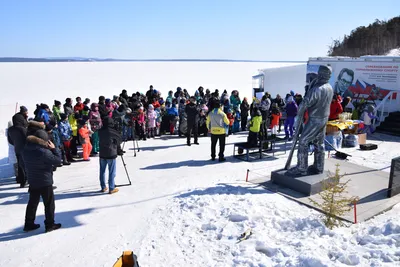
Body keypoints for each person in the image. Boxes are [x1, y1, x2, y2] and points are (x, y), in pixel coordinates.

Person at [287, 65, 334, 176]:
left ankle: (301, 168)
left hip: (315, 119)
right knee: (319, 143)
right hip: (324, 118)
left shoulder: (316, 89)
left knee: (303, 141)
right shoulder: (329, 87)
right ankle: (319, 166)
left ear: (321, 74)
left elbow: (305, 103)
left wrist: (299, 115)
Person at [23, 129, 62, 232]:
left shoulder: (26, 149)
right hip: (45, 181)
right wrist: (54, 149)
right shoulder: (43, 152)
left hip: (32, 179)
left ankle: (28, 223)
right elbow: (58, 161)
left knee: (32, 203)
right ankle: (50, 224)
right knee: (49, 204)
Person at [98, 117, 123, 194]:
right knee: (111, 171)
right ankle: (111, 187)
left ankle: (103, 187)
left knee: (102, 171)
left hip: (102, 153)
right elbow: (119, 140)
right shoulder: (113, 131)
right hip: (111, 153)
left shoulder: (100, 131)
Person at [8, 106, 30, 187]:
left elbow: (10, 141)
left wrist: (16, 144)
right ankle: (25, 180)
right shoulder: (22, 129)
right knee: (25, 164)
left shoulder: (10, 129)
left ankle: (21, 180)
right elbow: (26, 138)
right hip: (24, 148)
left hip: (17, 148)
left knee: (20, 165)